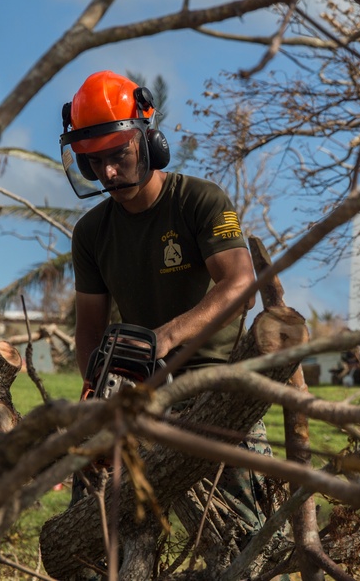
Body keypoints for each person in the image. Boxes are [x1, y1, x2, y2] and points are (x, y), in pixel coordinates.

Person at [59, 70, 269, 552]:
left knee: (239, 532)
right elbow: (88, 328)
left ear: (150, 143)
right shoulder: (90, 234)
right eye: (95, 163)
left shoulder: (203, 200)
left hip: (216, 382)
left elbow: (240, 283)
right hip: (137, 386)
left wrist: (165, 337)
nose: (109, 172)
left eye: (118, 155)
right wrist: (98, 387)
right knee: (92, 519)